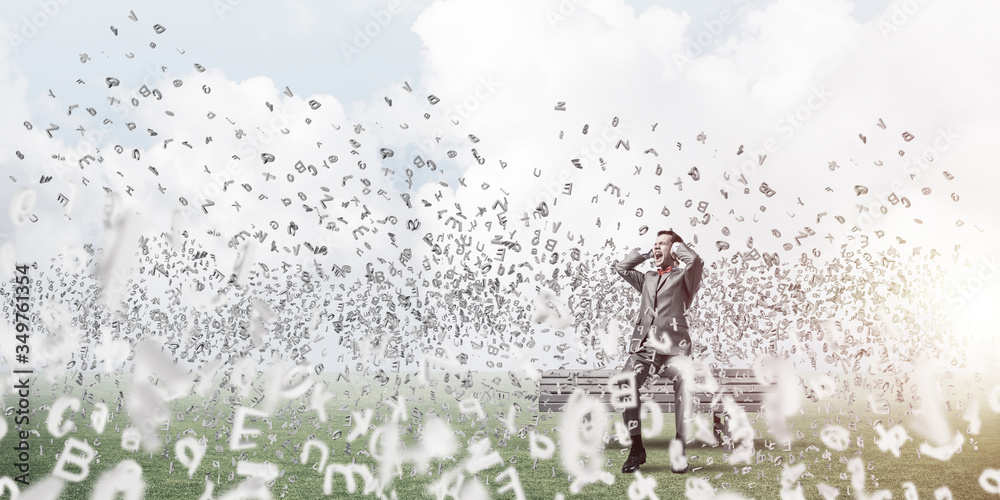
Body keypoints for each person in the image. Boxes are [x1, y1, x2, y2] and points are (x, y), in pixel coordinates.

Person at [613, 229, 704, 474]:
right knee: (626, 381)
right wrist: (645, 254)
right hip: (646, 350)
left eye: (662, 244)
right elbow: (621, 268)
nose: (656, 247)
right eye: (654, 244)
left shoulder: (686, 277)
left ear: (674, 250)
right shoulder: (648, 278)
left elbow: (695, 260)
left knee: (685, 380)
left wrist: (676, 246)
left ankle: (679, 449)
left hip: (675, 351)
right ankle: (636, 449)